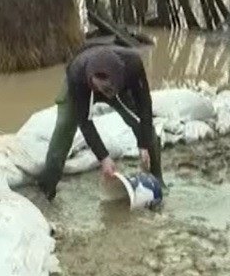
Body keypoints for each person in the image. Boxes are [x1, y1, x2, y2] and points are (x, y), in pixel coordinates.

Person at [35, 42, 164, 200]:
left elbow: (144, 104)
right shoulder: (77, 72)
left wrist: (143, 144)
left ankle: (157, 180)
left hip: (120, 90)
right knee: (64, 129)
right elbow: (85, 122)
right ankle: (47, 188)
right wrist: (104, 157)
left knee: (143, 126)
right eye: (103, 89)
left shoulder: (133, 64)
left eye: (109, 89)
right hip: (80, 87)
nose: (105, 94)